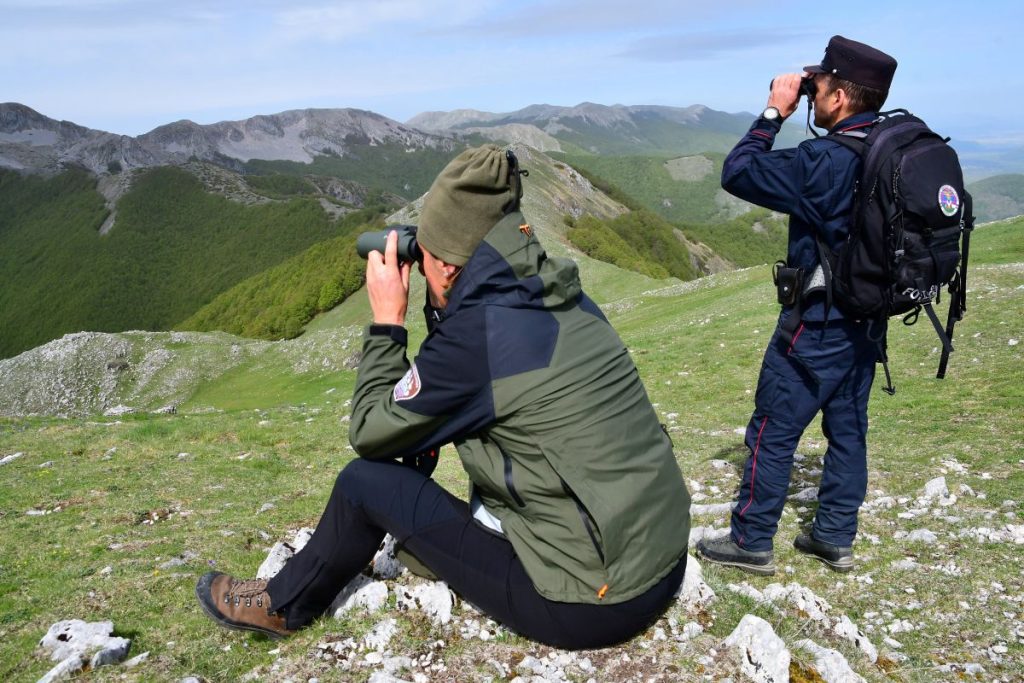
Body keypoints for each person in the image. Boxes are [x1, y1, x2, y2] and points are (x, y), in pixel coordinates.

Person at [196, 144, 691, 649]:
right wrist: (443, 295)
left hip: (591, 603)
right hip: (662, 559)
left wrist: (389, 322)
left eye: (428, 253)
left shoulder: (481, 339)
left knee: (363, 484)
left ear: (451, 268)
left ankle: (283, 605)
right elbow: (470, 386)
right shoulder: (560, 293)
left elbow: (370, 432)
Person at [695, 36, 898, 576]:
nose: (812, 96)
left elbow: (738, 171)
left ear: (837, 98)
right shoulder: (889, 149)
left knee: (772, 428)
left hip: (816, 322)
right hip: (867, 318)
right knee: (848, 429)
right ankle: (834, 536)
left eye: (819, 86)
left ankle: (751, 540)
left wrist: (772, 112)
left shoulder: (824, 159)